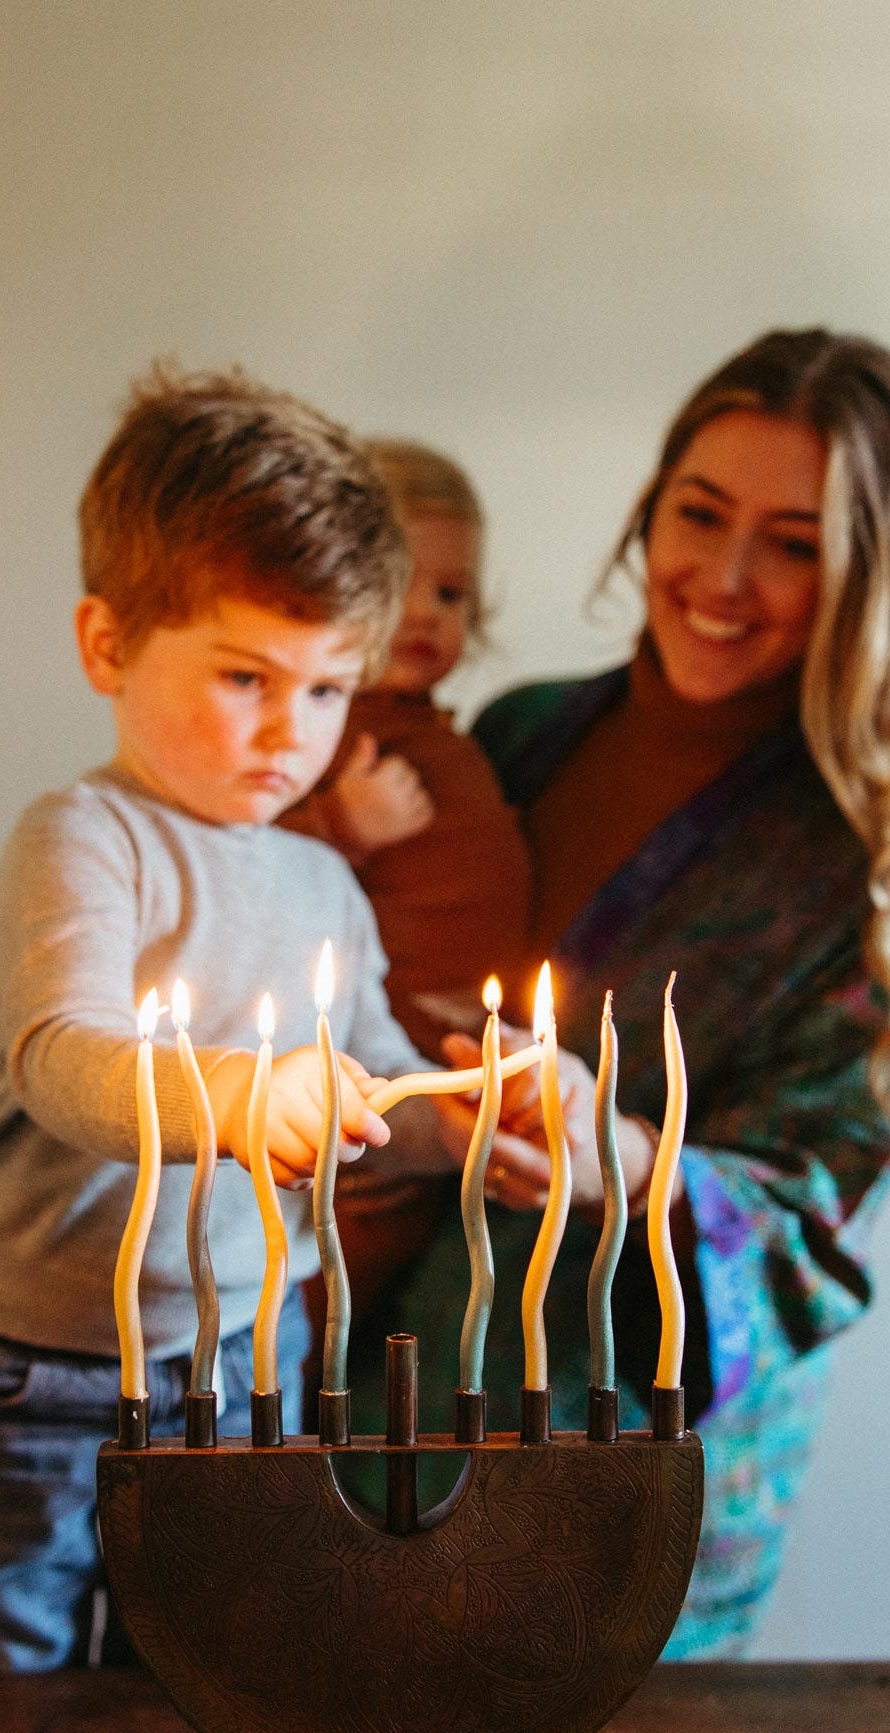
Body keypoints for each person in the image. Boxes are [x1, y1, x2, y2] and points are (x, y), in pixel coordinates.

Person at [372, 328, 890, 1657]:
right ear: (650, 509)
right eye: (699, 514)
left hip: (638, 1473)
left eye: (794, 541)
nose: (723, 579)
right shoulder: (520, 736)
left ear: (868, 571)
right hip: (404, 1386)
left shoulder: (872, 853)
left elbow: (811, 1225)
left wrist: (618, 1154)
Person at [0, 366, 456, 1671]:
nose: (293, 730)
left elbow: (370, 1076)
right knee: (10, 1652)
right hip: (47, 1360)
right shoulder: (85, 836)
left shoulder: (325, 882)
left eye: (330, 689)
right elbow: (64, 1057)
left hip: (244, 1355)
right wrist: (228, 1096)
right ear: (107, 644)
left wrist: (473, 1121)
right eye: (245, 675)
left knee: (211, 1666)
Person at [282, 441, 533, 1324]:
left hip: (450, 1083)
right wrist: (338, 828)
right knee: (332, 1293)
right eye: (399, 588)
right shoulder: (324, 732)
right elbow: (251, 872)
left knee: (416, 1305)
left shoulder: (438, 730)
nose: (425, 615)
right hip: (375, 1093)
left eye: (452, 594)